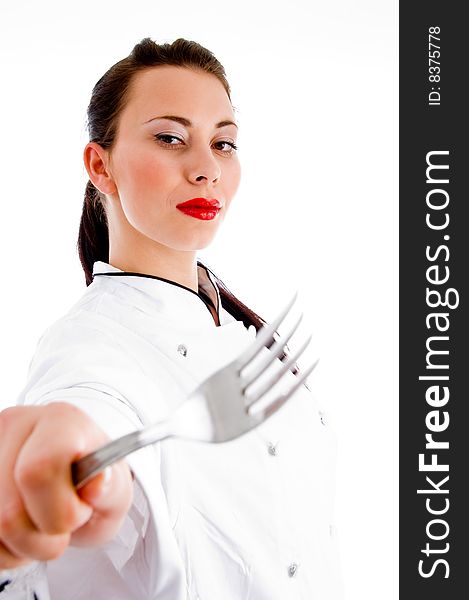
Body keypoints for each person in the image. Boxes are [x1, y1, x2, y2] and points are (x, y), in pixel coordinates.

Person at [0, 37, 343, 599]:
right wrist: (66, 457)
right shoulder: (90, 346)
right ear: (100, 164)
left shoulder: (237, 328)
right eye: (169, 138)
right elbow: (87, 410)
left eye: (223, 143)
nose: (207, 168)